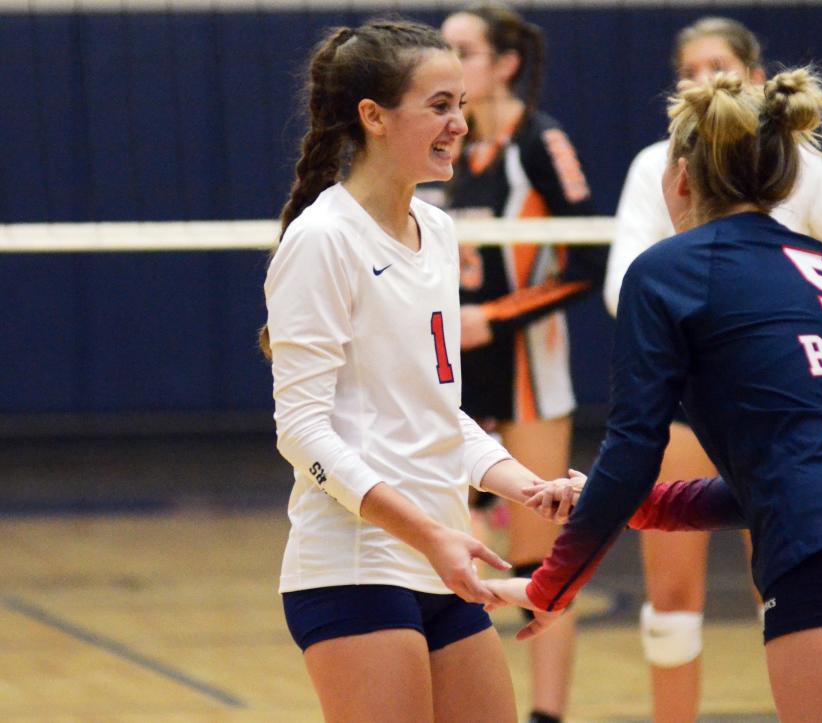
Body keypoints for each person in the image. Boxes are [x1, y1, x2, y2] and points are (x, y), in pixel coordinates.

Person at [488, 68, 822, 723]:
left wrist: (549, 586)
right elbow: (777, 474)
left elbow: (632, 448)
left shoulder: (667, 270)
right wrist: (625, 504)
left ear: (678, 176)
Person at [260, 19, 568, 722]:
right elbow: (301, 434)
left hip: (442, 556)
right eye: (439, 105)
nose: (460, 123)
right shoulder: (324, 240)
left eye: (461, 103)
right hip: (357, 563)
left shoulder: (440, 232)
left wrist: (526, 486)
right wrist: (428, 533)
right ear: (372, 117)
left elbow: (436, 413)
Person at [602, 17, 822, 722]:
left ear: (755, 77)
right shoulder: (658, 164)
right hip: (694, 391)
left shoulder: (795, 161)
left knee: (786, 577)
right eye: (690, 68)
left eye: (719, 64)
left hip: (777, 393)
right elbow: (625, 282)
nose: (704, 78)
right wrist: (713, 301)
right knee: (672, 597)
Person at [438, 4, 607, 722]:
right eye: (441, 51)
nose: (451, 63)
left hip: (529, 370)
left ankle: (546, 715)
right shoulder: (441, 141)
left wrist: (496, 316)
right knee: (452, 551)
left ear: (505, 63)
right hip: (454, 372)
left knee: (543, 561)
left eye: (464, 51)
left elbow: (588, 259)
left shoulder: (540, 140)